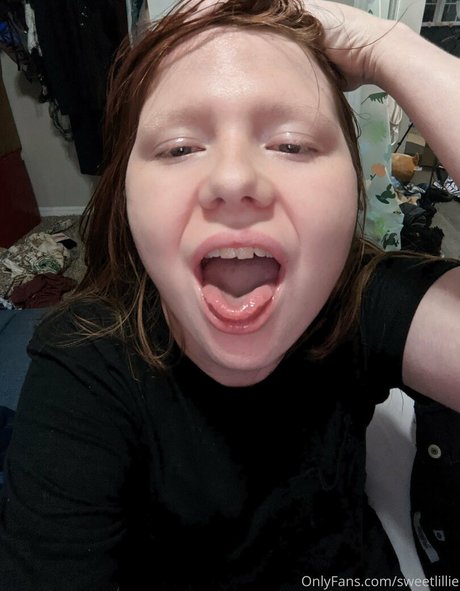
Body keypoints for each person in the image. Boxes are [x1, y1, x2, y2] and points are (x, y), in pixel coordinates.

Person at [1, 0, 460, 589]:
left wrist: (384, 47)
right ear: (126, 198)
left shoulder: (360, 303)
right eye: (179, 147)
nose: (234, 179)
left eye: (291, 144)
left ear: (352, 188)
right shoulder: (85, 363)